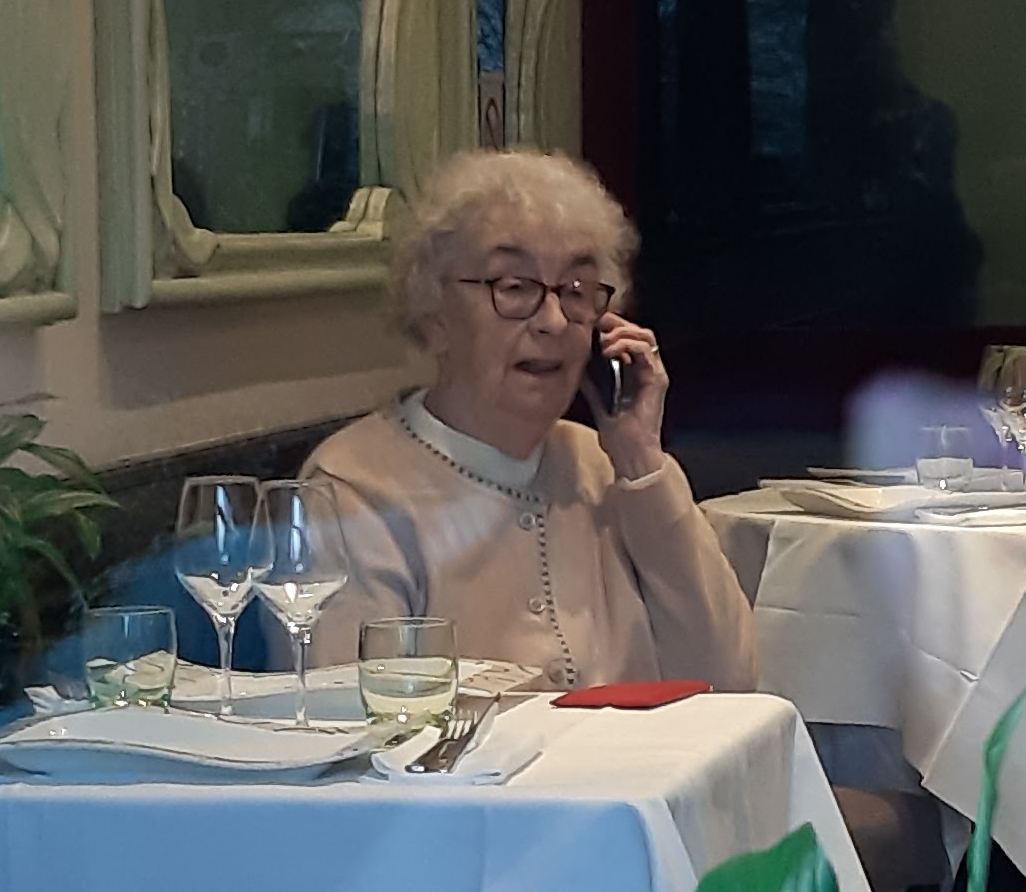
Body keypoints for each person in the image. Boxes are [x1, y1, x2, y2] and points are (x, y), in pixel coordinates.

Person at [300, 148, 751, 693]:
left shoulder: (605, 467)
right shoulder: (352, 491)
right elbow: (359, 719)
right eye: (514, 287)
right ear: (433, 313)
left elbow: (730, 682)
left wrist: (640, 459)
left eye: (577, 290)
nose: (554, 321)